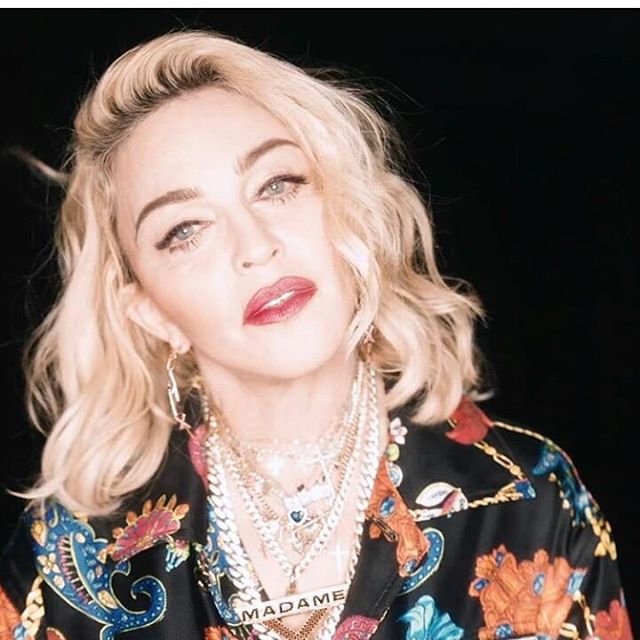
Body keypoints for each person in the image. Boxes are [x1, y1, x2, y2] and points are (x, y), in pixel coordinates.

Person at [0, 28, 632, 640]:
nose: (256, 246)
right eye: (185, 230)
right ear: (151, 311)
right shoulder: (69, 555)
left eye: (276, 186)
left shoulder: (525, 498)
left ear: (348, 205)